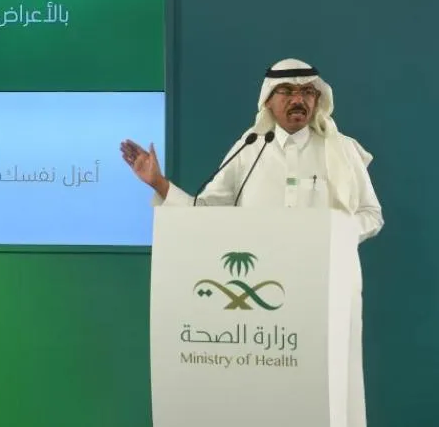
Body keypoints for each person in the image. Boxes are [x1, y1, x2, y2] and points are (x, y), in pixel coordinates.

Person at [121, 57, 383, 427]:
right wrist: (160, 185)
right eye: (287, 91)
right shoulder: (250, 149)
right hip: (263, 312)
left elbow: (371, 214)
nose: (299, 100)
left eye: (307, 92)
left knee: (326, 392)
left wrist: (335, 232)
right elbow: (203, 213)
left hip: (325, 294)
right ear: (268, 101)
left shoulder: (342, 150)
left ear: (318, 99)